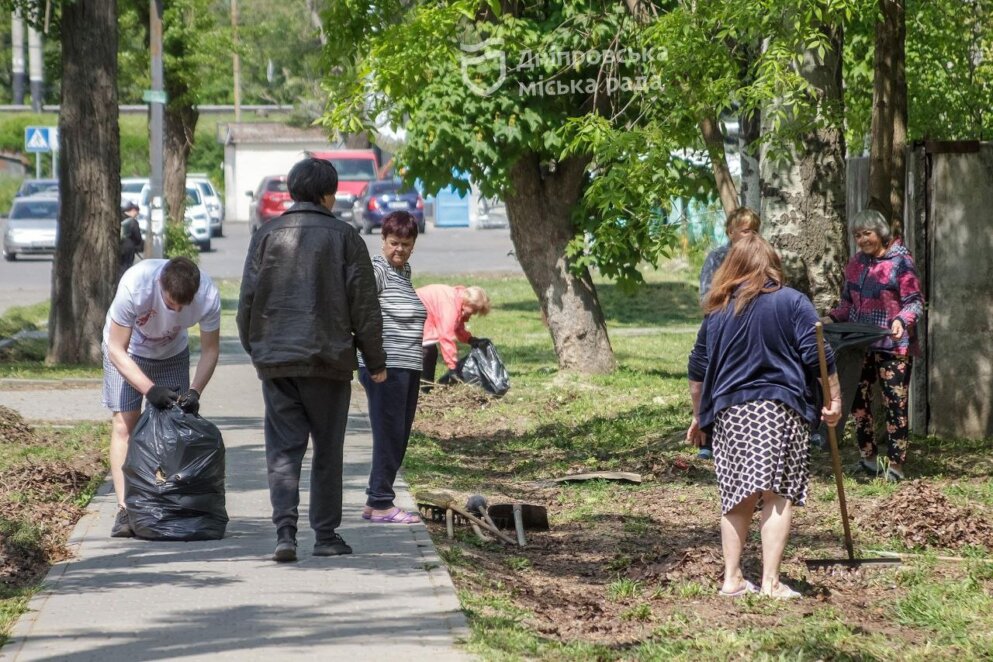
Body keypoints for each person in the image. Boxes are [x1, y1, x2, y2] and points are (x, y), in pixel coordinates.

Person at [237, 157, 386, 563]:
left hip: (278, 362)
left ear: (293, 191)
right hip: (328, 360)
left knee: (283, 451)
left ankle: (285, 533)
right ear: (328, 194)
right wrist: (375, 360)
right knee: (326, 450)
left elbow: (247, 300)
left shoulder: (267, 234)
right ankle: (325, 535)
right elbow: (365, 307)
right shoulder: (345, 237)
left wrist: (259, 350)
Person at [687, 234, 841, 599]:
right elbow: (820, 356)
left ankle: (732, 579)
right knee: (777, 496)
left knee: (736, 497)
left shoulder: (717, 310)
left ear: (732, 268)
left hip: (729, 413)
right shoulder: (793, 302)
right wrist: (833, 400)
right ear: (771, 265)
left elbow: (697, 369)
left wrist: (699, 416)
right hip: (779, 408)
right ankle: (770, 582)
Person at [102, 256, 221, 538]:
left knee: (173, 429)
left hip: (171, 354)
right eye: (170, 304)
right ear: (160, 285)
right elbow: (116, 348)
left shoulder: (208, 295)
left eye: (183, 307)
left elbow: (210, 350)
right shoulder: (136, 285)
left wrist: (195, 391)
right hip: (127, 353)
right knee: (124, 424)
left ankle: (166, 503)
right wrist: (150, 390)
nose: (176, 310)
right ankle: (125, 510)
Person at [825, 208, 924, 482]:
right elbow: (847, 304)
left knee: (895, 404)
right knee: (859, 404)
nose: (863, 239)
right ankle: (868, 459)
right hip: (861, 345)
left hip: (894, 346)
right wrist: (830, 317)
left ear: (879, 232)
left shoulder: (901, 262)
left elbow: (914, 301)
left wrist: (902, 321)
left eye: (867, 233)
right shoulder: (856, 263)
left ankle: (895, 466)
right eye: (858, 235)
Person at [358, 211, 427, 524]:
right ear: (383, 240)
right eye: (394, 242)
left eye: (406, 243)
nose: (399, 249)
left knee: (398, 435)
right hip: (386, 367)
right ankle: (383, 502)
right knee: (390, 434)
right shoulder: (377, 271)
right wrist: (373, 361)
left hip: (407, 366)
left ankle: (376, 500)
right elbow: (360, 315)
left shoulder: (404, 272)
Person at [695, 206, 762, 460]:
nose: (750, 235)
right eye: (745, 230)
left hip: (752, 326)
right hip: (721, 323)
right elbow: (707, 298)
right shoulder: (717, 258)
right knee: (715, 374)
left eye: (754, 231)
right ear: (730, 232)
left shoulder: (760, 257)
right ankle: (708, 436)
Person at [416, 284, 490, 387]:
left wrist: (470, 339)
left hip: (419, 309)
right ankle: (423, 388)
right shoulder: (450, 306)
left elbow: (456, 326)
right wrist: (452, 368)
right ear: (469, 302)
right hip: (412, 310)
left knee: (430, 351)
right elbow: (446, 336)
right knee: (427, 351)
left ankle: (425, 386)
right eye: (474, 310)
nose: (474, 314)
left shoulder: (458, 299)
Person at [118, 201, 144, 284]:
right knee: (126, 271)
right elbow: (138, 238)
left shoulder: (118, 218)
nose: (137, 215)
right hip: (128, 249)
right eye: (137, 212)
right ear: (133, 210)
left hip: (118, 248)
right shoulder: (132, 222)